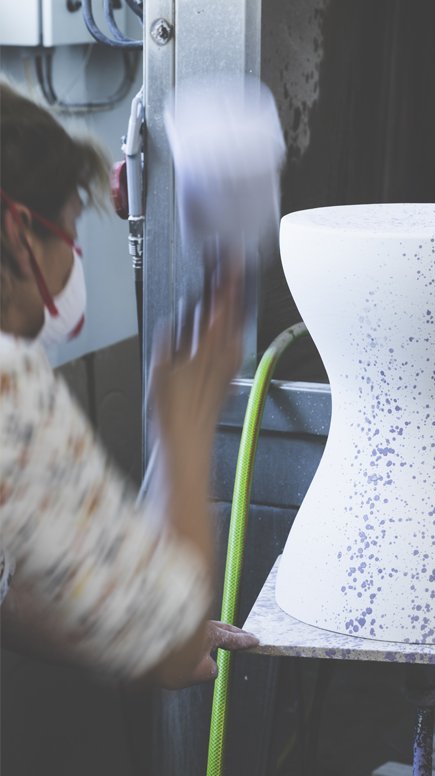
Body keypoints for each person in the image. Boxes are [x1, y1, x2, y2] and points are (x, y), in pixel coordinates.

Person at [0, 80, 257, 688]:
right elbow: (169, 649)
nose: (73, 262)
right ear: (17, 232)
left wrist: (119, 627)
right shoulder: (11, 391)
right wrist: (185, 431)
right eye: (69, 233)